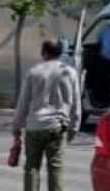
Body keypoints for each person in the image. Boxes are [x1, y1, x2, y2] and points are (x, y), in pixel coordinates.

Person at [12, 40, 81, 191]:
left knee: (32, 167)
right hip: (57, 127)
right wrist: (73, 130)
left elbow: (23, 103)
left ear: (44, 53)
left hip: (34, 127)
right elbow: (76, 105)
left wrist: (16, 128)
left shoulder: (34, 72)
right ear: (60, 53)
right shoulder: (70, 72)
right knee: (55, 168)